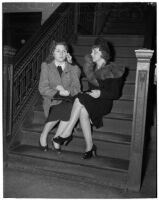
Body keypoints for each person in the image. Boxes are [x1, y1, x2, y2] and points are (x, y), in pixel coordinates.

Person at [53, 37, 125, 159]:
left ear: (103, 54)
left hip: (104, 102)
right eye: (92, 51)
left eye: (94, 52)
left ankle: (68, 132)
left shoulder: (114, 70)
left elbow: (116, 94)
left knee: (80, 98)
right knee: (82, 110)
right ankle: (89, 147)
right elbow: (78, 71)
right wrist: (71, 63)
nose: (91, 54)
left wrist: (100, 94)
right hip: (90, 98)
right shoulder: (90, 67)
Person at [38, 41, 81, 152]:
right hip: (52, 99)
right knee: (64, 107)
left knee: (69, 107)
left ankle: (56, 138)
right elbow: (42, 88)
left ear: (67, 53)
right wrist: (58, 92)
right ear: (53, 53)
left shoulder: (72, 67)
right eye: (58, 51)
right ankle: (44, 134)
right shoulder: (46, 66)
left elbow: (77, 88)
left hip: (68, 98)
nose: (61, 53)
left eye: (64, 51)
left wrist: (66, 91)